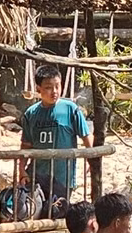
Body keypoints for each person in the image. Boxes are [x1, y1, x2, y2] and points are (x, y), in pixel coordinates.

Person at [21, 66, 92, 210]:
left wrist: (92, 159)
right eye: (48, 87)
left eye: (57, 86)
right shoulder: (31, 113)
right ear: (39, 88)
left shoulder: (70, 109)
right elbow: (26, 145)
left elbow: (86, 136)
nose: (54, 91)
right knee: (35, 211)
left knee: (57, 212)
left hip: (62, 176)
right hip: (37, 174)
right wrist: (21, 170)